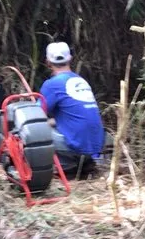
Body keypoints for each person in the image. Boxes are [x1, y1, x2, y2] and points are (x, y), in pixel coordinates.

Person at [39, 42, 105, 176]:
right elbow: (75, 115)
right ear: (70, 59)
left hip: (74, 147)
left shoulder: (52, 84)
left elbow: (36, 116)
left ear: (47, 62)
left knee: (33, 129)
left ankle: (65, 165)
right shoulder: (82, 81)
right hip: (96, 146)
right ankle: (85, 164)